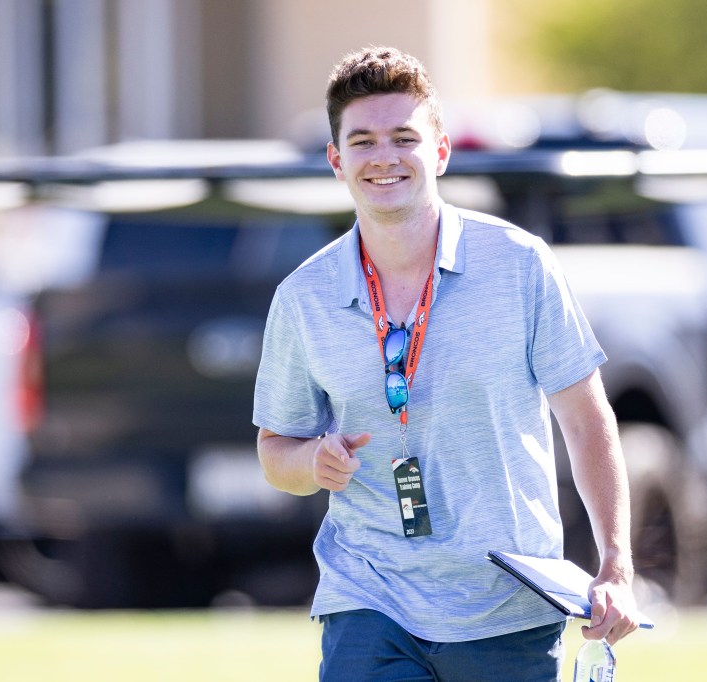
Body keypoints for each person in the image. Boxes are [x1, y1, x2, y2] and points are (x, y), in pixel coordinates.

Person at [253, 46, 639, 681]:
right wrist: (311, 462)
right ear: (336, 160)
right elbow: (275, 451)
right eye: (363, 141)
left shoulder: (519, 264)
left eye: (404, 138)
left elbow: (586, 417)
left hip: (507, 604)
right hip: (370, 595)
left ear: (440, 151)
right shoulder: (304, 297)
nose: (384, 157)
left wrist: (616, 564)